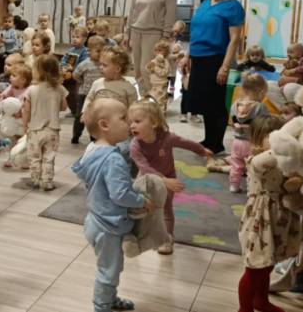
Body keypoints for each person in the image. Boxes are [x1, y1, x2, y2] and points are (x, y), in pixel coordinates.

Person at [71, 98, 151, 312]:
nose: (129, 123)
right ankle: (102, 306)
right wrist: (141, 200)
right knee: (109, 270)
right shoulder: (113, 159)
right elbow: (120, 194)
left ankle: (109, 298)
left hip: (95, 219)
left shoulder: (92, 149)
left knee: (111, 266)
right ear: (105, 125)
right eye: (124, 118)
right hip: (107, 225)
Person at [128, 101, 212, 254]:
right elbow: (145, 168)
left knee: (166, 209)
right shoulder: (135, 146)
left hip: (168, 177)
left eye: (137, 121)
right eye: (131, 122)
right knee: (142, 207)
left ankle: (167, 239)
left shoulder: (167, 138)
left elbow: (185, 143)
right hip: (147, 180)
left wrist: (201, 150)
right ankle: (137, 235)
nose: (132, 125)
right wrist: (164, 181)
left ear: (154, 123)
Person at [236, 115, 300, 312]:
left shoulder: (280, 158)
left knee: (267, 264)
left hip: (278, 217)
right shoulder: (256, 160)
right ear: (257, 139)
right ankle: (244, 309)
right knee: (255, 268)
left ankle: (260, 301)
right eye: (271, 137)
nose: (277, 141)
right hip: (260, 220)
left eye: (279, 136)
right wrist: (290, 142)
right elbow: (269, 158)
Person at [187, 0, 244, 154]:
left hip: (216, 59)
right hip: (198, 57)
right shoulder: (206, 2)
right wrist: (187, 55)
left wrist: (225, 67)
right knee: (203, 102)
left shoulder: (233, 7)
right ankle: (208, 139)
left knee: (215, 103)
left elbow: (234, 40)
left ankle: (216, 143)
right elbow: (196, 31)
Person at [124, 0, 177, 92]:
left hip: (153, 33)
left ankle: (153, 97)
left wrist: (165, 35)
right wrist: (127, 33)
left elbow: (170, 13)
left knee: (147, 68)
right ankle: (144, 96)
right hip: (136, 31)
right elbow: (132, 11)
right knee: (136, 69)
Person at [23, 55, 69, 191]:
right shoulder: (60, 89)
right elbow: (64, 107)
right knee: (49, 157)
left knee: (35, 157)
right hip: (53, 130)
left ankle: (35, 179)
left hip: (35, 130)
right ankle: (47, 181)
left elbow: (26, 110)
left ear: (38, 71)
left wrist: (25, 125)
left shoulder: (31, 90)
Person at [227, 74, 271, 193]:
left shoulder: (235, 104)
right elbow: (266, 124)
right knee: (253, 166)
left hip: (237, 141)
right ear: (261, 92)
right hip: (253, 143)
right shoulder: (260, 107)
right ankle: (252, 188)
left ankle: (234, 185)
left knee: (236, 164)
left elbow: (232, 120)